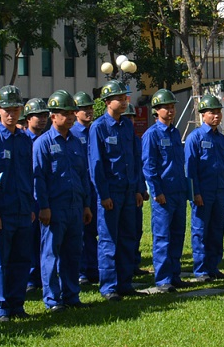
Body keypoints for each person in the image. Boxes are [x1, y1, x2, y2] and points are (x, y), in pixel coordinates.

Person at [0, 85, 36, 321]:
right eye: (7, 109)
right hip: (2, 212)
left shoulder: (25, 140)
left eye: (15, 109)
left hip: (23, 210)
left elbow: (30, 175)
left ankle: (16, 303)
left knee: (21, 260)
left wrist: (31, 207)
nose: (11, 114)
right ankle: (0, 307)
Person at [32, 90, 93, 311]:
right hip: (54, 208)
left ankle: (71, 295)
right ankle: (52, 299)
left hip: (75, 207)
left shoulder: (76, 142)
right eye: (64, 113)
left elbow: (83, 175)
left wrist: (86, 205)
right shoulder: (43, 143)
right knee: (50, 254)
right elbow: (38, 178)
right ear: (53, 116)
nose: (69, 117)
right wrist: (43, 207)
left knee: (73, 253)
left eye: (71, 113)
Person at [88, 80, 145, 299]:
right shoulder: (99, 127)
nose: (123, 102)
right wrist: (103, 195)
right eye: (119, 98)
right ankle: (109, 287)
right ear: (107, 102)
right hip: (111, 192)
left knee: (127, 238)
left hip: (129, 191)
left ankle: (125, 283)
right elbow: (96, 164)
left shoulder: (127, 126)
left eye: (124, 98)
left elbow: (134, 159)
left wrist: (138, 188)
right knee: (109, 240)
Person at [140, 89, 187, 293]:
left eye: (172, 107)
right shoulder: (152, 134)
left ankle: (175, 275)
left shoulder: (175, 132)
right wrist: (156, 191)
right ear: (156, 110)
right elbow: (149, 166)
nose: (170, 110)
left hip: (178, 192)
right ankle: (163, 279)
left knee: (177, 235)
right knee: (162, 237)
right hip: (163, 194)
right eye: (166, 107)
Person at [185, 95, 224, 280]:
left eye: (218, 112)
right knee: (200, 230)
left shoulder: (221, 139)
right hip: (203, 192)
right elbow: (190, 169)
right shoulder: (195, 137)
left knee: (217, 230)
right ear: (203, 114)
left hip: (219, 191)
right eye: (212, 112)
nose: (216, 115)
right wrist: (195, 193)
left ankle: (213, 267)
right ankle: (201, 269)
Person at [71, 90, 100, 286]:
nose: (88, 111)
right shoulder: (73, 134)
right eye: (84, 109)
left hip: (95, 188)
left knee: (93, 231)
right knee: (79, 232)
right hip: (81, 188)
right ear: (75, 112)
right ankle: (80, 271)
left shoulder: (94, 131)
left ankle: (93, 268)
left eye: (90, 108)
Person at [23, 96, 50, 290]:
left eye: (44, 116)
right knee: (30, 240)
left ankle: (43, 275)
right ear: (27, 119)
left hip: (45, 196)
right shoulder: (24, 140)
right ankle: (31, 278)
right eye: (37, 116)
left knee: (44, 239)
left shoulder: (47, 140)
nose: (41, 119)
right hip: (29, 197)